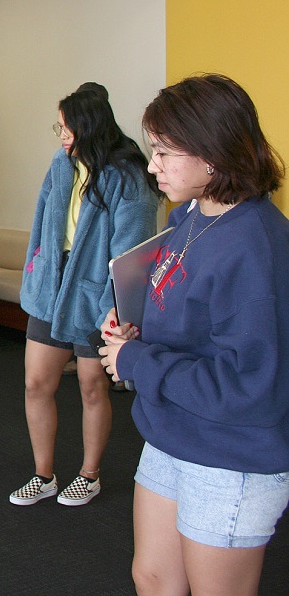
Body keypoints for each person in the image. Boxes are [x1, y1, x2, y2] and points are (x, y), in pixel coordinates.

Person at [99, 74, 289, 595]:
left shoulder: (253, 245)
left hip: (231, 454)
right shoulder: (192, 216)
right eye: (152, 149)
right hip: (173, 432)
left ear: (214, 153)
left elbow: (246, 385)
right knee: (153, 579)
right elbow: (188, 316)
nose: (152, 165)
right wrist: (132, 328)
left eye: (164, 152)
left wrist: (136, 360)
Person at [11, 87, 159, 507]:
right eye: (59, 125)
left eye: (66, 125)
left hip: (96, 293)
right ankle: (43, 475)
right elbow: (42, 224)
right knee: (36, 382)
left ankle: (88, 474)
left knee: (93, 387)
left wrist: (113, 306)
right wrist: (36, 271)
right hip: (52, 287)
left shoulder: (128, 174)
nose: (61, 133)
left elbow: (131, 251)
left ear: (88, 124)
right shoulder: (61, 163)